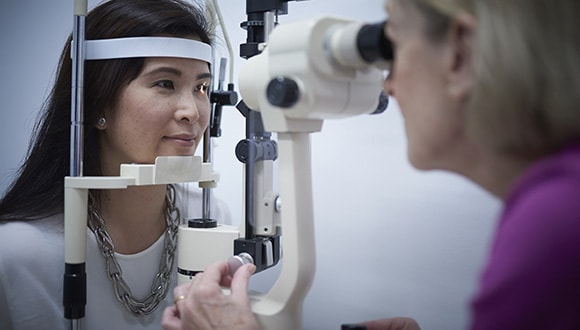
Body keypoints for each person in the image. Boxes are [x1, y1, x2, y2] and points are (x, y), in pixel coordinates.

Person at [161, 0, 580, 329]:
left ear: (461, 53)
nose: (388, 84)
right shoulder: (558, 203)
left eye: (392, 47)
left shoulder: (553, 227)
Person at [0, 0, 231, 329]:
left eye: (201, 88)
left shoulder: (210, 220)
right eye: (165, 83)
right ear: (96, 103)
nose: (192, 112)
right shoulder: (16, 255)